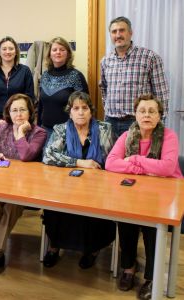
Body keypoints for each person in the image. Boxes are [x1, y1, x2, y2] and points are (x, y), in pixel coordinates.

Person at [105, 94, 183, 300]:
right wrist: (144, 169)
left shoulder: (169, 136)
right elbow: (111, 163)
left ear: (159, 115)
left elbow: (167, 168)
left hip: (165, 191)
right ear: (136, 114)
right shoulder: (127, 135)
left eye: (152, 111)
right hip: (137, 190)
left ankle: (151, 278)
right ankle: (128, 268)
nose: (146, 115)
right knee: (126, 220)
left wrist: (136, 159)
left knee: (152, 226)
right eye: (142, 111)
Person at [42, 91, 116, 269]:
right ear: (70, 112)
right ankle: (55, 246)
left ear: (91, 111)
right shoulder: (61, 129)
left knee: (92, 207)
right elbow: (48, 156)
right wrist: (80, 162)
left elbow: (112, 159)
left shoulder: (105, 129)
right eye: (76, 108)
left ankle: (90, 249)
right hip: (66, 185)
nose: (81, 112)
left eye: (85, 108)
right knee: (55, 206)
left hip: (97, 187)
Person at [0, 93, 47, 269]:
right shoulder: (3, 128)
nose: (18, 114)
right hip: (2, 182)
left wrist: (21, 134)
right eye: (14, 110)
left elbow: (27, 156)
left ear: (30, 112)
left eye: (23, 110)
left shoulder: (39, 132)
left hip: (26, 186)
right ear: (8, 113)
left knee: (13, 204)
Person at [100, 16, 169, 138]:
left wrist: (159, 122)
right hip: (111, 122)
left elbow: (161, 93)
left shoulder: (149, 57)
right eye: (114, 31)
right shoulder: (106, 61)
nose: (118, 35)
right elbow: (104, 89)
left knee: (136, 157)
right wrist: (107, 110)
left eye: (122, 30)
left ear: (130, 33)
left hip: (138, 121)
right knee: (112, 156)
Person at [38, 37, 89, 141]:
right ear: (49, 54)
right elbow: (41, 105)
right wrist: (38, 126)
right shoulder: (45, 76)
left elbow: (85, 107)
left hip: (68, 132)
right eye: (54, 50)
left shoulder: (76, 76)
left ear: (68, 54)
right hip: (45, 130)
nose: (58, 52)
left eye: (62, 49)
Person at [0, 36, 34, 135]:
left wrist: (22, 119)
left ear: (16, 52)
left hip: (19, 121)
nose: (8, 52)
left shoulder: (25, 71)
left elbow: (30, 98)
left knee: (18, 149)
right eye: (4, 49)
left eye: (11, 49)